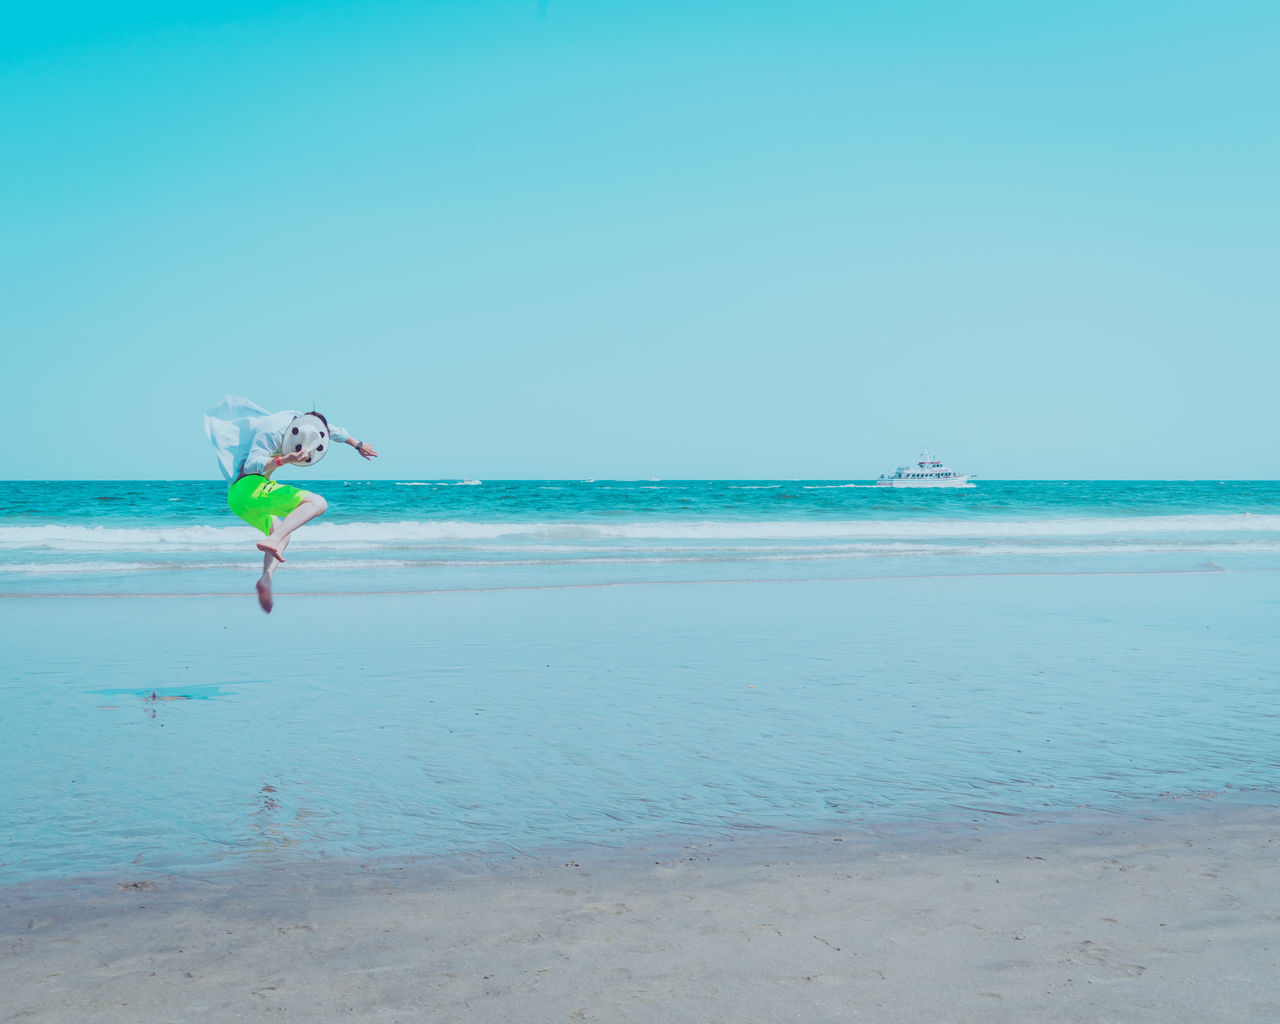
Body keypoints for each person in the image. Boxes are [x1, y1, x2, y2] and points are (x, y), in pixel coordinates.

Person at [204, 396, 378, 612]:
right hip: (248, 486)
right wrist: (283, 460)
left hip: (238, 500)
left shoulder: (311, 426)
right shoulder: (272, 430)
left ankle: (266, 579)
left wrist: (358, 445)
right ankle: (273, 539)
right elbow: (250, 465)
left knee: (284, 533)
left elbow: (334, 432)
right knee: (318, 503)